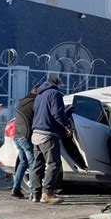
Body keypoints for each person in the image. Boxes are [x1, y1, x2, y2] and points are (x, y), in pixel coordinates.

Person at [30, 76, 73, 204]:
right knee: (53, 164)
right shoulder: (55, 94)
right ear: (57, 84)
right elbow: (57, 113)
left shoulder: (39, 95)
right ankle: (47, 193)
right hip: (48, 134)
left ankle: (34, 194)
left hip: (36, 133)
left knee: (37, 165)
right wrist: (67, 126)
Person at [11, 85, 39, 198]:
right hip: (25, 136)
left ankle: (16, 188)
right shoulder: (34, 103)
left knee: (23, 163)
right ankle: (34, 192)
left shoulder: (21, 102)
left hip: (17, 136)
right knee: (33, 164)